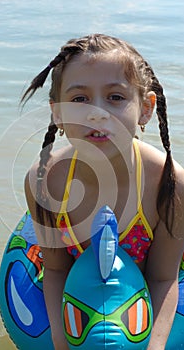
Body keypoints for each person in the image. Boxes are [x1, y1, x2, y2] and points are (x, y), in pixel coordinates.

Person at [22, 34, 184, 349]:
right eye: (79, 99)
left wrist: (155, 346)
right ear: (58, 114)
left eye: (115, 97)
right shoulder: (45, 182)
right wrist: (60, 341)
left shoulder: (169, 185)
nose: (97, 112)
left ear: (146, 109)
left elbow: (164, 278)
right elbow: (55, 269)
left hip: (144, 284)